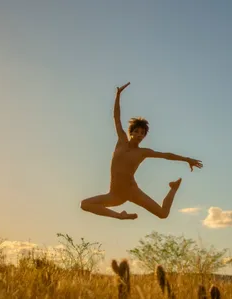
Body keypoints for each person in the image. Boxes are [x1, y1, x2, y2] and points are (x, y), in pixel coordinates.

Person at [80, 82, 203, 220]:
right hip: (115, 194)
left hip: (132, 191)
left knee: (163, 214)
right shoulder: (121, 141)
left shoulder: (143, 152)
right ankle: (120, 216)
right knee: (85, 204)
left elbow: (166, 155)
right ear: (131, 132)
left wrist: (187, 159)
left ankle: (173, 188)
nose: (139, 135)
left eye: (143, 133)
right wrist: (118, 95)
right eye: (137, 132)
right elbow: (117, 118)